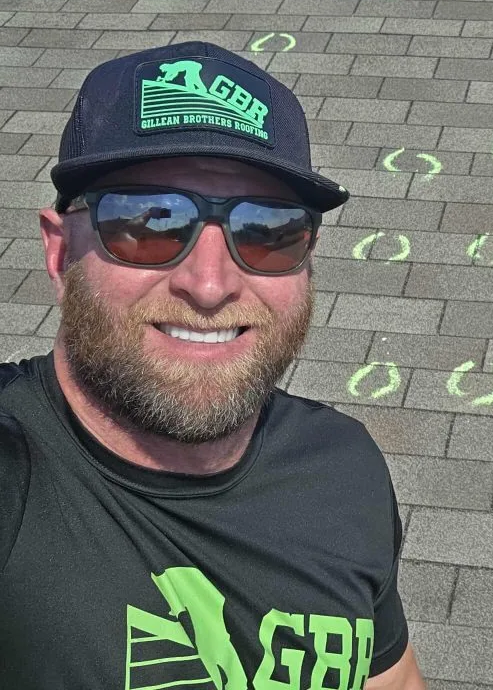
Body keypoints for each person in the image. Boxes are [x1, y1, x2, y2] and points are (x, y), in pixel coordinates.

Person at [0, 42, 427, 690]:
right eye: (147, 223)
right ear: (60, 256)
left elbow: (391, 678)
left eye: (268, 229)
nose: (209, 285)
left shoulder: (344, 467)